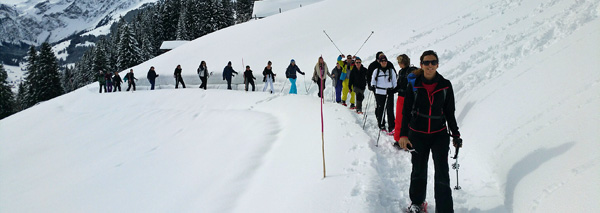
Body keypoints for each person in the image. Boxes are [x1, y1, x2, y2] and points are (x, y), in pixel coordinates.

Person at [398, 50, 462, 213]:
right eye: (426, 62)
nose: (430, 65)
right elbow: (405, 111)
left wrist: (455, 134)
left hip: (439, 134)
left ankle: (445, 209)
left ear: (437, 64)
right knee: (418, 170)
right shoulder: (413, 84)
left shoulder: (445, 85)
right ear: (421, 65)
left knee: (442, 172)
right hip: (417, 134)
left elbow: (449, 112)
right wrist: (403, 134)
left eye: (433, 62)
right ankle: (417, 203)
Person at [393, 54, 418, 146]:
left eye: (399, 62)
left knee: (403, 118)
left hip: (406, 97)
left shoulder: (411, 71)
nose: (399, 64)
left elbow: (412, 86)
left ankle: (402, 139)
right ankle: (400, 139)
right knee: (401, 118)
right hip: (402, 97)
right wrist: (393, 90)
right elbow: (400, 85)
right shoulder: (402, 71)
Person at [370, 54, 396, 134]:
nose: (384, 62)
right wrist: (373, 87)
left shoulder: (391, 70)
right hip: (379, 92)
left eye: (385, 61)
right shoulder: (376, 71)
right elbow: (373, 81)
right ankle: (381, 124)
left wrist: (393, 89)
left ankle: (392, 126)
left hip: (389, 92)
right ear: (379, 62)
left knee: (390, 109)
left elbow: (394, 81)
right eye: (382, 61)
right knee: (381, 108)